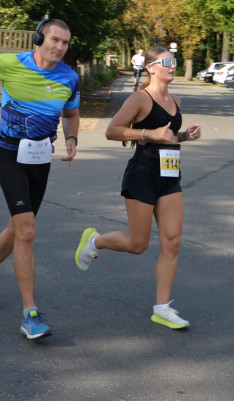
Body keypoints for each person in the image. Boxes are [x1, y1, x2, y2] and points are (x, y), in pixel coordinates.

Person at [0, 18, 79, 340]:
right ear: (39, 38)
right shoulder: (13, 63)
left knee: (18, 228)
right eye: (54, 40)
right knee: (27, 230)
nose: (59, 47)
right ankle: (30, 314)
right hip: (8, 154)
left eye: (65, 43)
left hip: (40, 157)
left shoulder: (69, 77)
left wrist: (72, 139)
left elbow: (70, 114)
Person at [74, 47, 202, 331]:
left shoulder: (175, 100)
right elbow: (112, 130)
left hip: (169, 176)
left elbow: (167, 137)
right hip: (142, 174)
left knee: (172, 241)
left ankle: (162, 308)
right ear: (151, 68)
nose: (172, 65)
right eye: (166, 62)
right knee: (138, 244)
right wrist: (148, 133)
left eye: (174, 62)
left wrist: (184, 136)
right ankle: (95, 241)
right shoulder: (139, 98)